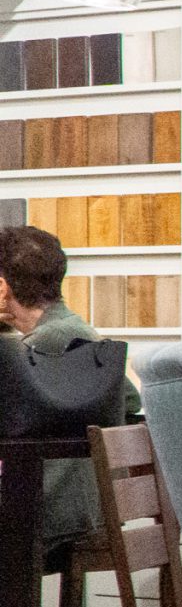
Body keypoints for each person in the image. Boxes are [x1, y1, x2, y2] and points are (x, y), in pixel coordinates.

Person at [0, 225, 138, 550]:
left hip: (52, 515)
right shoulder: (73, 329)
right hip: (85, 509)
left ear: (3, 288)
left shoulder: (46, 343)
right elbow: (131, 399)